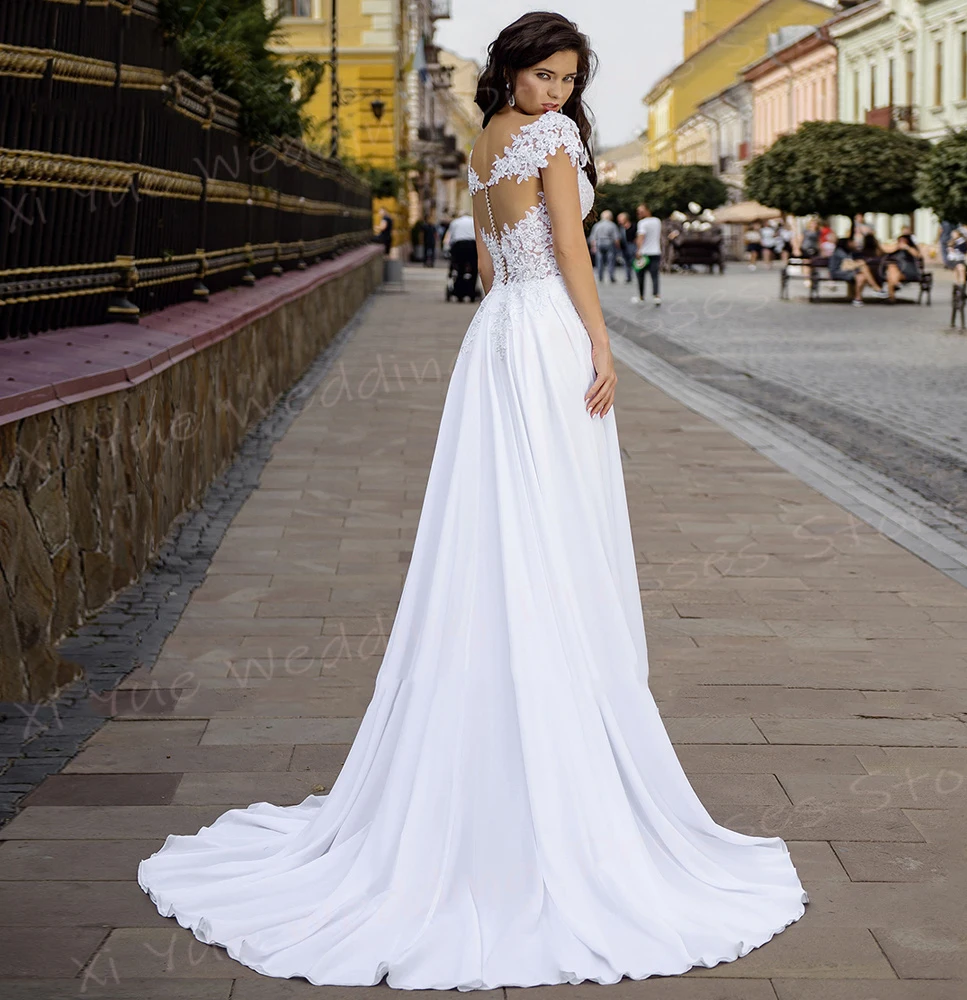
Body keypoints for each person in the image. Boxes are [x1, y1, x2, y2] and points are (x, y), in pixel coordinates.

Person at [138, 12, 808, 990]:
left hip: (497, 336)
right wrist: (603, 343)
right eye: (543, 74)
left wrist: (532, 298)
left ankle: (502, 708)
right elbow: (573, 254)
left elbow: (497, 254)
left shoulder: (489, 136)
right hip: (541, 337)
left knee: (496, 528)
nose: (557, 93)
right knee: (552, 529)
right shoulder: (549, 139)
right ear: (514, 72)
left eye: (569, 79)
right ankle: (554, 724)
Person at [829, 236, 885, 306]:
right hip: (838, 272)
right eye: (851, 242)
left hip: (847, 272)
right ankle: (876, 288)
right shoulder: (839, 252)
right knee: (863, 267)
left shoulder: (850, 252)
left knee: (861, 276)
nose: (854, 243)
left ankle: (858, 298)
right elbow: (848, 263)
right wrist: (860, 263)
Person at [632, 202, 662, 304]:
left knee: (640, 275)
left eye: (641, 211)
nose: (639, 213)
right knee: (654, 275)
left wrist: (638, 250)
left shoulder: (642, 223)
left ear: (647, 210)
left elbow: (641, 237)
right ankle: (656, 296)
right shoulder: (657, 221)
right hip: (656, 251)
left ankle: (641, 296)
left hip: (644, 253)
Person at [883, 226, 922, 302]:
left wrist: (907, 247)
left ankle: (892, 296)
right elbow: (886, 254)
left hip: (909, 271)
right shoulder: (896, 251)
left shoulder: (910, 249)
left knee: (891, 273)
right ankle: (895, 287)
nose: (901, 243)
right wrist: (896, 248)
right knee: (891, 269)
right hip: (897, 272)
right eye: (900, 241)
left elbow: (917, 255)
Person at [443, 211, 478, 279]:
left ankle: (456, 274)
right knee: (473, 264)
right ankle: (472, 281)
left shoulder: (455, 222)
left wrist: (448, 248)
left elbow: (450, 236)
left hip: (459, 244)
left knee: (458, 263)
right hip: (472, 244)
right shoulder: (473, 221)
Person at [588, 208, 620, 282]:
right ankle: (611, 276)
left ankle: (600, 276)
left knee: (599, 260)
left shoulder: (597, 225)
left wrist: (593, 246)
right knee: (610, 261)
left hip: (599, 243)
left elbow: (593, 237)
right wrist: (618, 247)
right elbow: (616, 238)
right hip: (609, 243)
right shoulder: (612, 225)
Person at [617, 210, 636, 282]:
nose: (619, 220)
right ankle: (628, 277)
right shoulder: (620, 228)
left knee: (633, 262)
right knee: (625, 263)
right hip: (624, 247)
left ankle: (636, 275)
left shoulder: (633, 226)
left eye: (620, 218)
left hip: (632, 246)